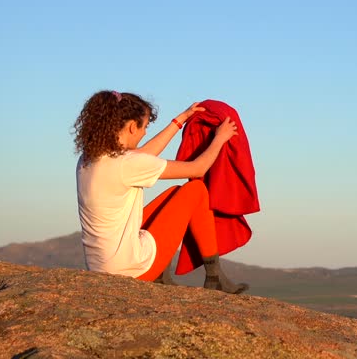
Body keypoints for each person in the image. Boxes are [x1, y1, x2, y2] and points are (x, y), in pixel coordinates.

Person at [73, 89, 248, 293]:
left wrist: (180, 120)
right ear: (131, 127)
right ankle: (214, 277)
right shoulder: (127, 164)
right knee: (196, 189)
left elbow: (144, 155)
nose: (145, 133)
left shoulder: (88, 159)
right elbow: (197, 169)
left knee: (175, 193)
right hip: (131, 269)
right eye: (144, 127)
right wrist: (220, 138)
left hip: (101, 266)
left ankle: (165, 276)